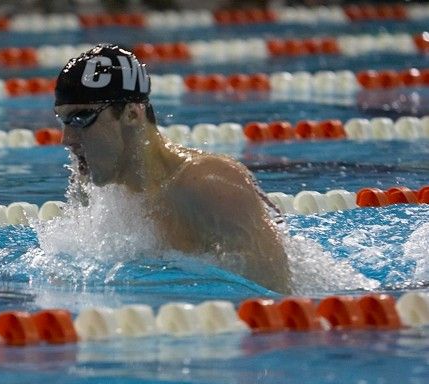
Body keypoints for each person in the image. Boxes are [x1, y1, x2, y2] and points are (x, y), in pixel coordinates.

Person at [54, 44, 292, 293]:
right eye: (63, 121)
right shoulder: (96, 188)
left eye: (80, 119)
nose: (66, 138)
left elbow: (275, 298)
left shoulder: (210, 185)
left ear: (132, 114)